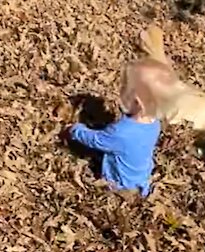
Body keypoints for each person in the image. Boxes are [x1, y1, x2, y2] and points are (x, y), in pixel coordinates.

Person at [66, 68, 161, 197]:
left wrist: (75, 129)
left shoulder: (121, 132)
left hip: (121, 187)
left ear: (138, 102)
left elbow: (94, 140)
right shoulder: (154, 124)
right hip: (140, 181)